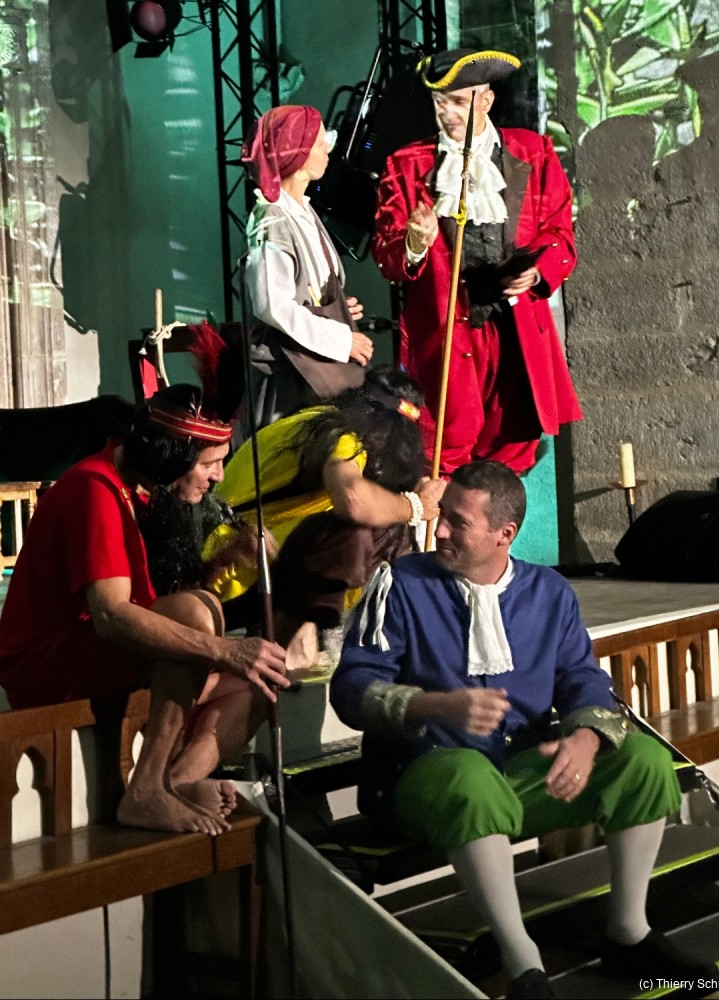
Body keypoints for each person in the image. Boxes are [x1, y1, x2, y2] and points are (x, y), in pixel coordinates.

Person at [330, 461, 719, 998]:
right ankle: (523, 964)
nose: (440, 531)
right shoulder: (400, 583)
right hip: (425, 778)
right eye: (443, 515)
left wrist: (586, 738)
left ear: (504, 534)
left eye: (458, 522)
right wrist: (433, 706)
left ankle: (628, 932)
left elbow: (583, 678)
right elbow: (351, 688)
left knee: (643, 759)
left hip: (517, 774)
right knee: (468, 777)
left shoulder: (548, 592)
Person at [0, 384, 289, 837]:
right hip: (49, 666)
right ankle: (147, 790)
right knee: (199, 618)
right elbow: (112, 616)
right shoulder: (94, 488)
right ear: (171, 456)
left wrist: (224, 561)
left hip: (100, 654)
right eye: (209, 463)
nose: (218, 476)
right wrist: (226, 651)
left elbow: (158, 600)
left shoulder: (147, 491)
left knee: (258, 685)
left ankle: (176, 783)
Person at [372, 49, 582, 477]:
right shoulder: (408, 165)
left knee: (511, 450)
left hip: (515, 331)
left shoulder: (533, 152)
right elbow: (387, 255)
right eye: (439, 102)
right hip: (447, 333)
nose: (447, 113)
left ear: (486, 100)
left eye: (459, 101)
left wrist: (537, 271)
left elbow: (559, 232)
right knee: (443, 452)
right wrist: (414, 242)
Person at [202, 366, 446, 663]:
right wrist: (414, 506)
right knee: (367, 529)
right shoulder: (343, 436)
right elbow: (353, 500)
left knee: (383, 515)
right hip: (231, 569)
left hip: (240, 561)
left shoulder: (320, 420)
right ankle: (302, 641)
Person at [241, 104, 374, 430]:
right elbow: (273, 306)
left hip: (313, 369)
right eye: (319, 142)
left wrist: (335, 308)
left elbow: (305, 289)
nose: (328, 148)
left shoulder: (301, 210)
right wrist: (341, 339)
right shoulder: (272, 220)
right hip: (292, 377)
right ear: (297, 155)